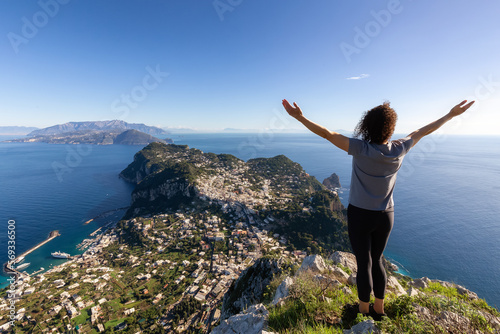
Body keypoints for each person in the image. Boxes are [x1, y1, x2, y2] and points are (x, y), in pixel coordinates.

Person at [282, 98, 475, 320]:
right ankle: (379, 309)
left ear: (367, 126)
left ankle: (363, 310)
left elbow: (326, 133)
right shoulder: (399, 148)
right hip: (386, 216)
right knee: (378, 259)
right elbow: (423, 131)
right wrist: (450, 115)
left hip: (360, 214)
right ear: (391, 128)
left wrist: (299, 117)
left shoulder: (360, 148)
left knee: (364, 262)